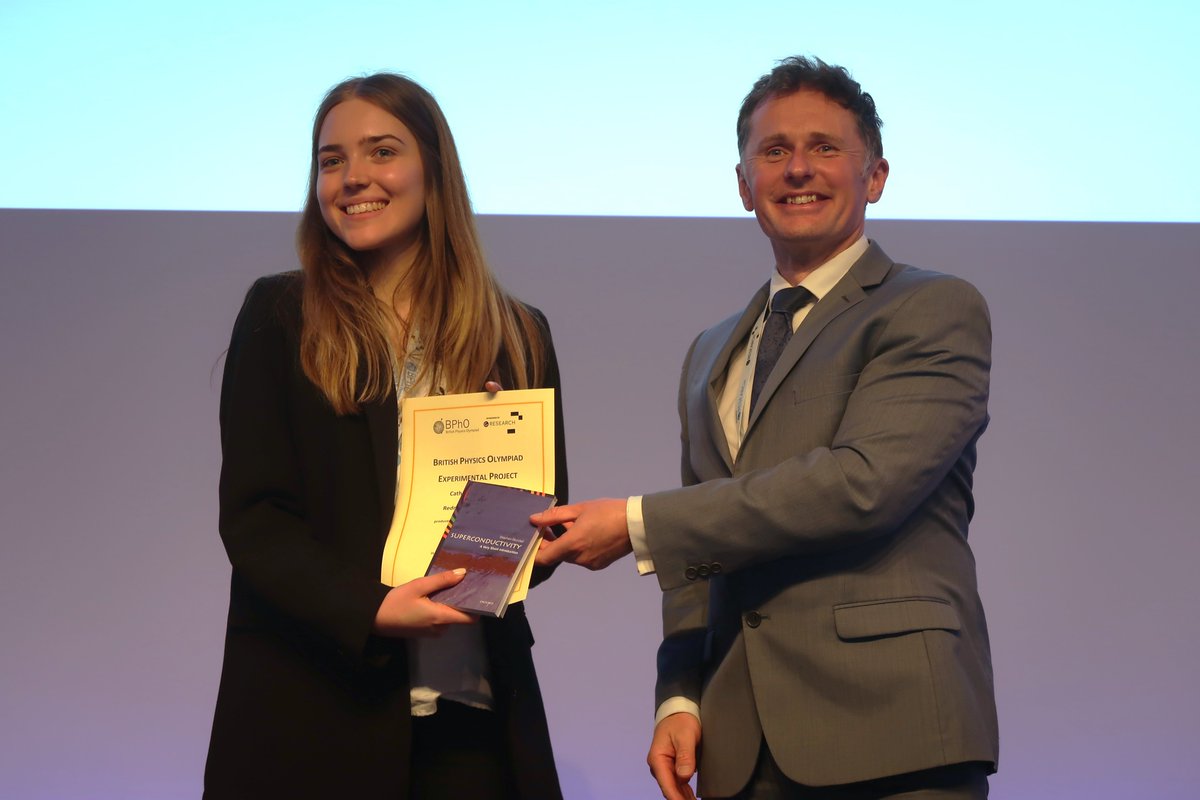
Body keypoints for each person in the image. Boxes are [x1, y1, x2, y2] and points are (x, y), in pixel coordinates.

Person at [534, 56, 998, 799]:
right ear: (744, 184)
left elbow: (863, 485)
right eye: (773, 151)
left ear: (874, 175)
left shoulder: (931, 307)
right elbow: (699, 556)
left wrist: (634, 522)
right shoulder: (711, 351)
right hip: (739, 747)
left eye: (824, 148)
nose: (797, 170)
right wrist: (681, 695)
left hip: (893, 734)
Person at [204, 73, 567, 799]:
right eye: (331, 159)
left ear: (434, 169)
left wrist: (503, 466)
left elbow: (542, 538)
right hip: (314, 709)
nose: (353, 178)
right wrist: (370, 608)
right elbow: (256, 520)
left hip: (471, 714)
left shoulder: (516, 332)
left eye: (381, 152)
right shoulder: (281, 314)